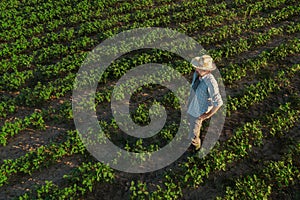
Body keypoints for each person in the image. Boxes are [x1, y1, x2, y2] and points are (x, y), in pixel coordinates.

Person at [187, 55, 223, 150]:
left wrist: (207, 115)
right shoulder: (197, 74)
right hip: (191, 106)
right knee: (189, 124)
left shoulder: (211, 82)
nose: (196, 68)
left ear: (207, 70)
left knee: (193, 136)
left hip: (198, 112)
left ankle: (196, 147)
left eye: (199, 67)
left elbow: (218, 102)